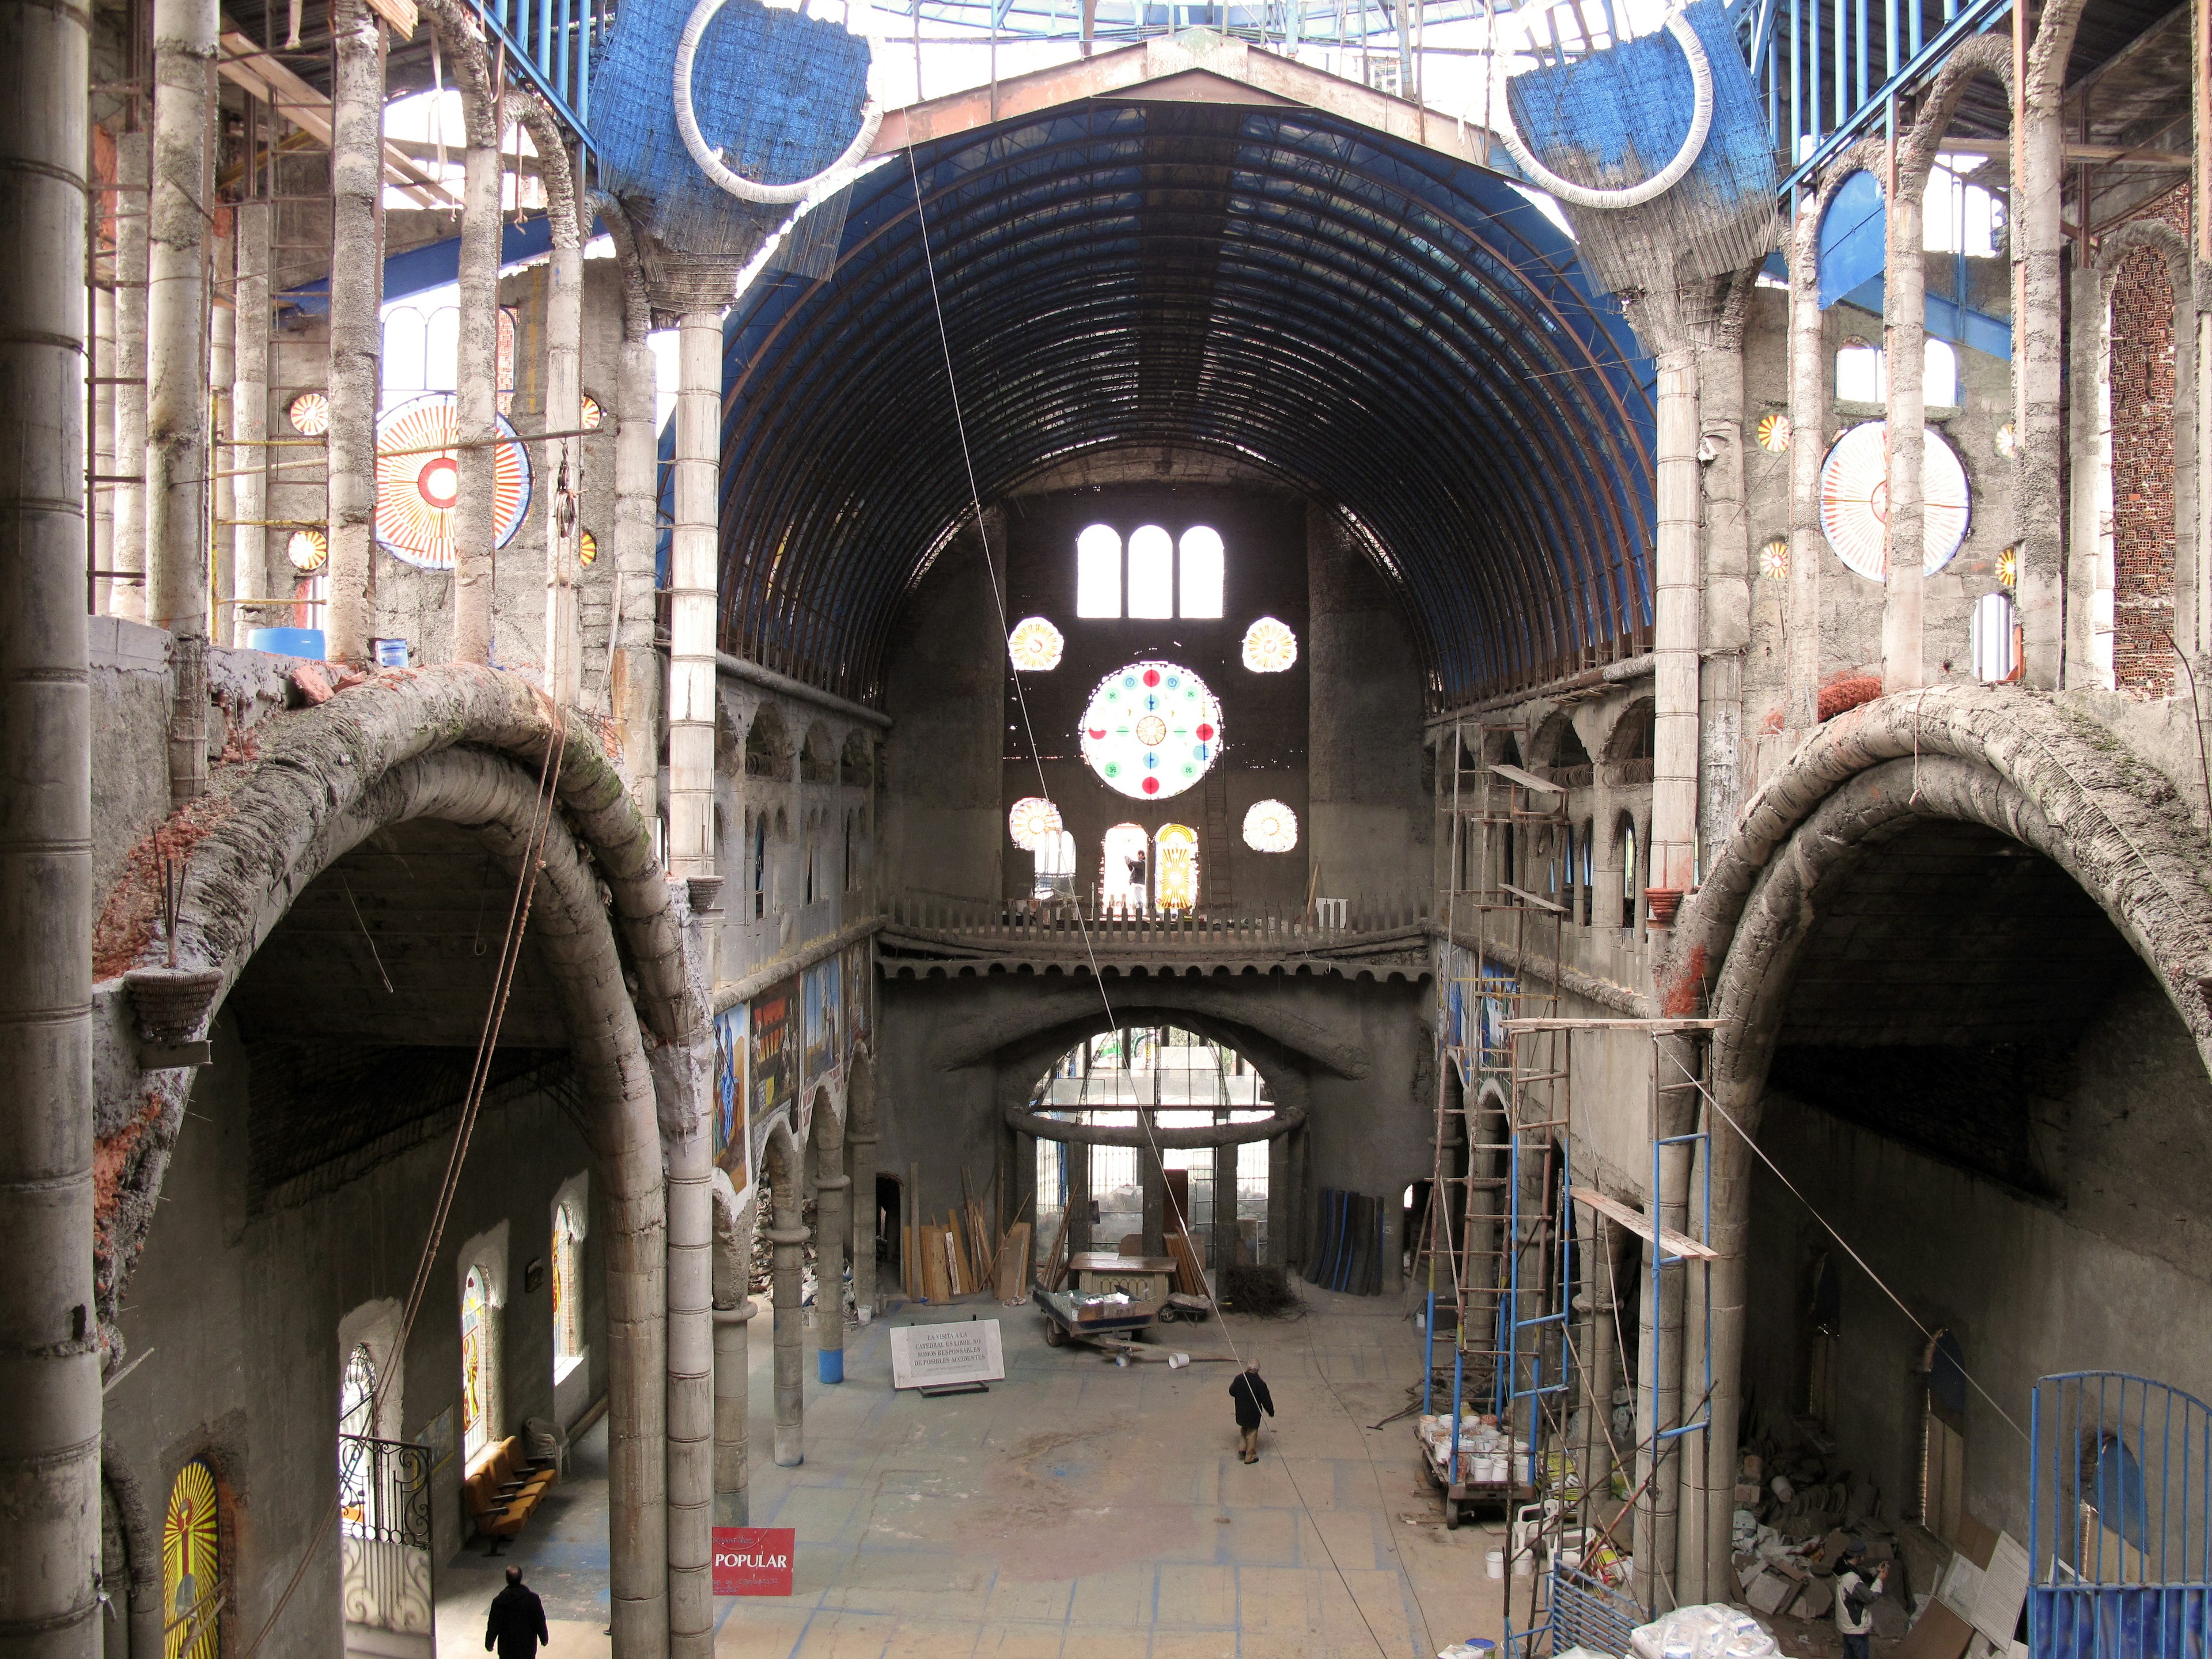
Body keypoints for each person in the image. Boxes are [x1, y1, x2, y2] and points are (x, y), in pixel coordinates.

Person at [1834, 1540, 1887, 1659]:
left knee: (1849, 1655)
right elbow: (1871, 1597)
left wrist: (1875, 1571)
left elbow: (1859, 1572)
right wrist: (1879, 1580)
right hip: (1855, 1625)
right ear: (1857, 1557)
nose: (1865, 1557)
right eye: (1864, 1555)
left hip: (1846, 1622)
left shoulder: (1841, 1565)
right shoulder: (1851, 1579)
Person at [485, 1565, 550, 1658]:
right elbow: (539, 1620)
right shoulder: (532, 1599)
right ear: (521, 1578)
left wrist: (489, 1643)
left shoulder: (499, 1601)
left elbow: (494, 1625)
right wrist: (544, 1638)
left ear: (507, 1580)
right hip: (527, 1646)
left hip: (506, 1647)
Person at [1229, 1361, 1275, 1464]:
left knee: (1244, 1429)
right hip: (1253, 1414)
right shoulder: (1260, 1383)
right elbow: (1266, 1400)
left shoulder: (1239, 1378)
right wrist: (1271, 1411)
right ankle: (1249, 1457)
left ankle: (1242, 1448)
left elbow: (1232, 1391)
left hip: (1241, 1411)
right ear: (1258, 1369)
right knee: (1252, 1434)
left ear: (1248, 1368)